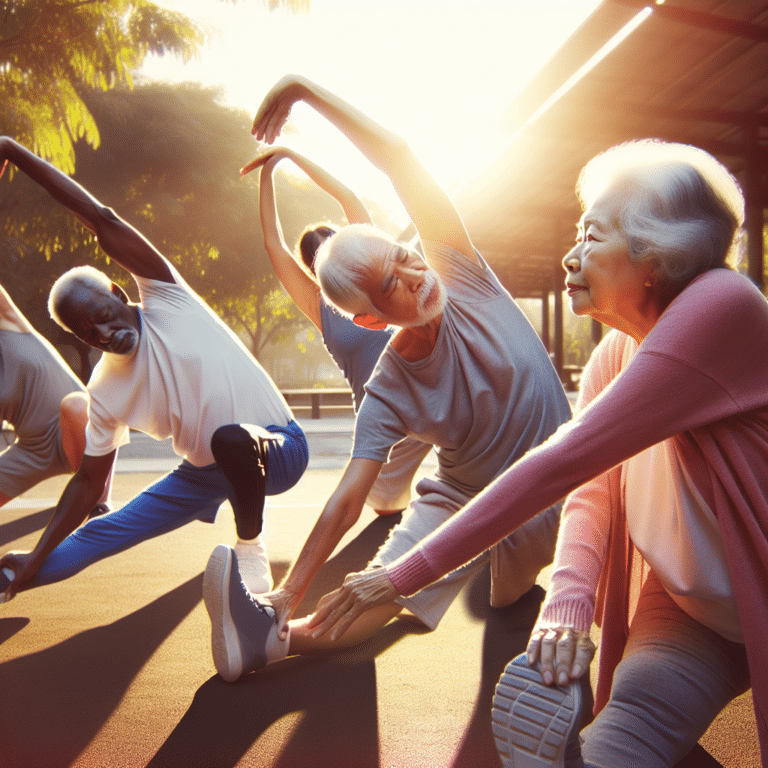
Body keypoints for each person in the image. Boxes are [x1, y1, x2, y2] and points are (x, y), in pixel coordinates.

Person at [308, 139, 768, 768]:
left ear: (652, 254)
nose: (570, 254)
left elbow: (560, 464)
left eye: (592, 235)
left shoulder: (722, 306)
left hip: (756, 582)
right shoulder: (613, 353)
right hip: (688, 604)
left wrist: (399, 575)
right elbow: (593, 489)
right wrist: (565, 604)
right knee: (624, 735)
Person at [202, 74, 571, 683]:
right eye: (389, 283)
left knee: (509, 599)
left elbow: (398, 157)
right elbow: (349, 495)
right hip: (459, 494)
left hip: (549, 486)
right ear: (371, 317)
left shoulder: (460, 270)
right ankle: (266, 636)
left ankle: (517, 585)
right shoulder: (389, 385)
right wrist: (291, 591)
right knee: (370, 592)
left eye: (404, 256)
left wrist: (305, 92)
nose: (414, 274)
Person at [0, 137, 309, 604]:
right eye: (87, 334)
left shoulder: (168, 299)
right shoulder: (103, 389)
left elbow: (100, 217)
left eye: (102, 314)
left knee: (230, 439)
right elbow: (86, 484)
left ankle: (250, 544)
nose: (102, 334)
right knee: (63, 554)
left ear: (120, 293)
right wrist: (35, 559)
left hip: (277, 450)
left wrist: (11, 150)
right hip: (202, 474)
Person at [244, 145, 433, 516]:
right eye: (317, 255)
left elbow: (347, 196)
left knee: (476, 443)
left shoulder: (377, 277)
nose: (329, 254)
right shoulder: (321, 307)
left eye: (334, 243)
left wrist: (290, 154)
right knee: (387, 509)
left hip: (429, 405)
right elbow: (273, 244)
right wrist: (267, 173)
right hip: (383, 432)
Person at [0, 283, 114, 515]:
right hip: (33, 451)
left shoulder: (9, 324)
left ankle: (99, 501)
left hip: (78, 426)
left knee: (76, 404)